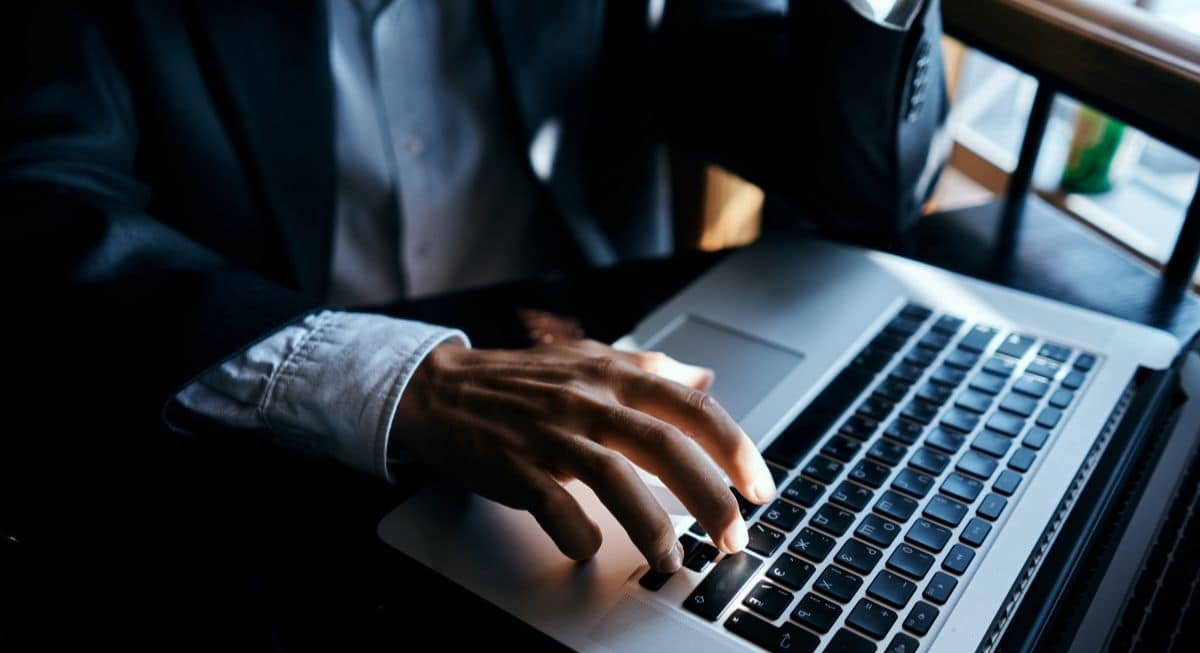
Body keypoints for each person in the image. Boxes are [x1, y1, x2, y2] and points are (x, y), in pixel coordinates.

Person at [3, 0, 946, 575]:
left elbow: (857, 186)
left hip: (623, 380)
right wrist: (400, 381)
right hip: (280, 443)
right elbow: (38, 206)